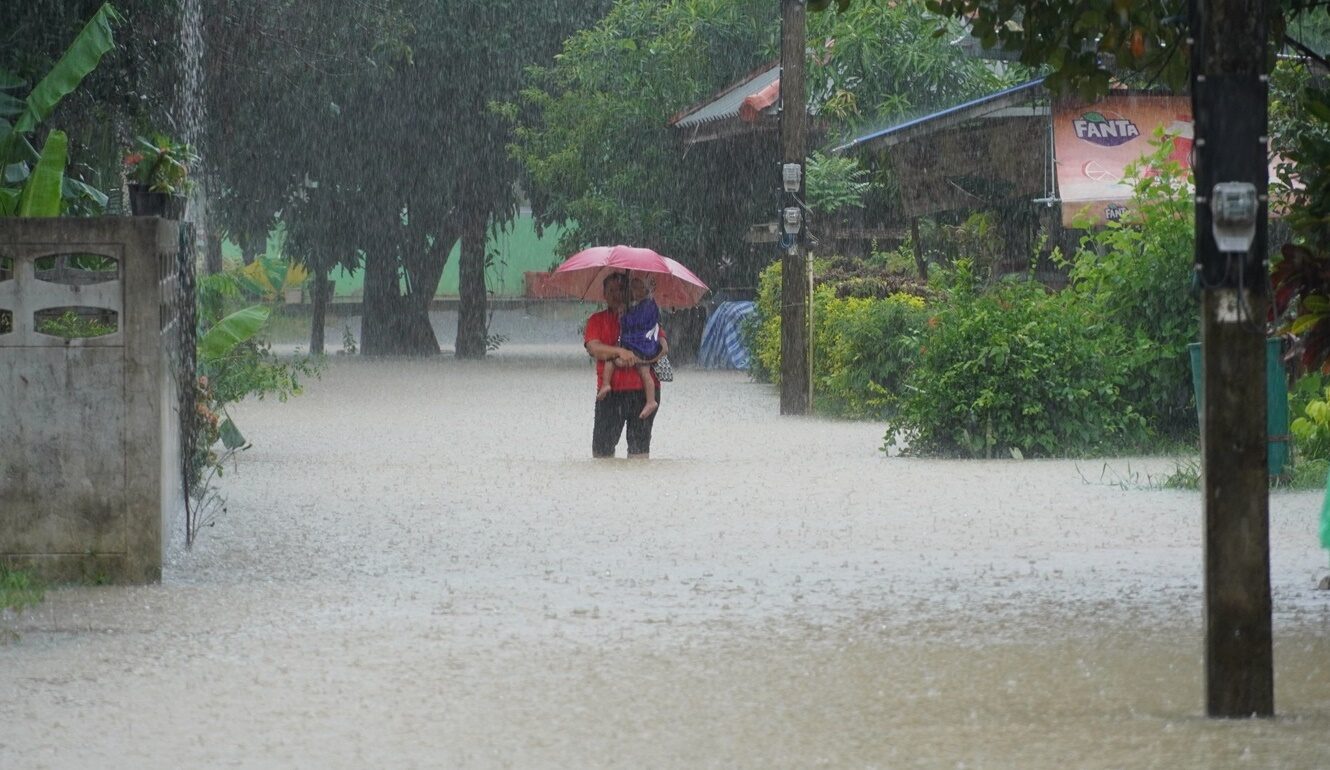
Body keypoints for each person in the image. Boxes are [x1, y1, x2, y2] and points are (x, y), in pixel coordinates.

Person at [584, 273, 668, 459]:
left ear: (630, 292)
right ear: (604, 294)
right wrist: (619, 352)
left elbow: (662, 347)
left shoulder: (644, 317)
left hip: (642, 394)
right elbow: (594, 348)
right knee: (602, 455)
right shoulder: (597, 320)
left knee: (639, 455)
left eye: (621, 289)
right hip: (611, 394)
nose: (616, 295)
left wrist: (641, 359)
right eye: (611, 290)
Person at [597, 274, 660, 419]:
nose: (636, 292)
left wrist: (624, 316)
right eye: (634, 288)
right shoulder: (600, 319)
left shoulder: (647, 306)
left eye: (640, 289)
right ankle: (606, 384)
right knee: (614, 359)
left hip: (640, 347)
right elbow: (594, 348)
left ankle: (650, 400)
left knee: (636, 368)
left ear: (647, 290)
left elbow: (663, 346)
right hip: (616, 395)